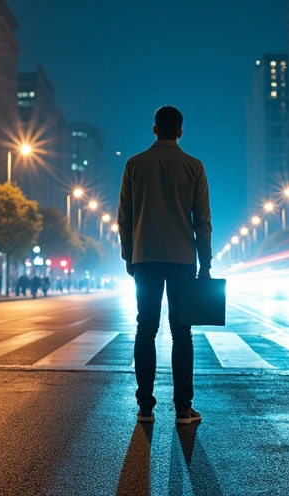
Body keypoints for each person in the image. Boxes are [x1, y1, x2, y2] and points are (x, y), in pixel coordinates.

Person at [119, 105, 211, 426]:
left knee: (145, 328)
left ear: (154, 129)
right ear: (180, 132)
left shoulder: (134, 164)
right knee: (182, 333)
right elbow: (202, 221)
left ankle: (145, 406)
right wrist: (206, 263)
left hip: (145, 258)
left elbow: (125, 217)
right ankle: (184, 408)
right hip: (183, 260)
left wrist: (128, 255)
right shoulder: (194, 166)